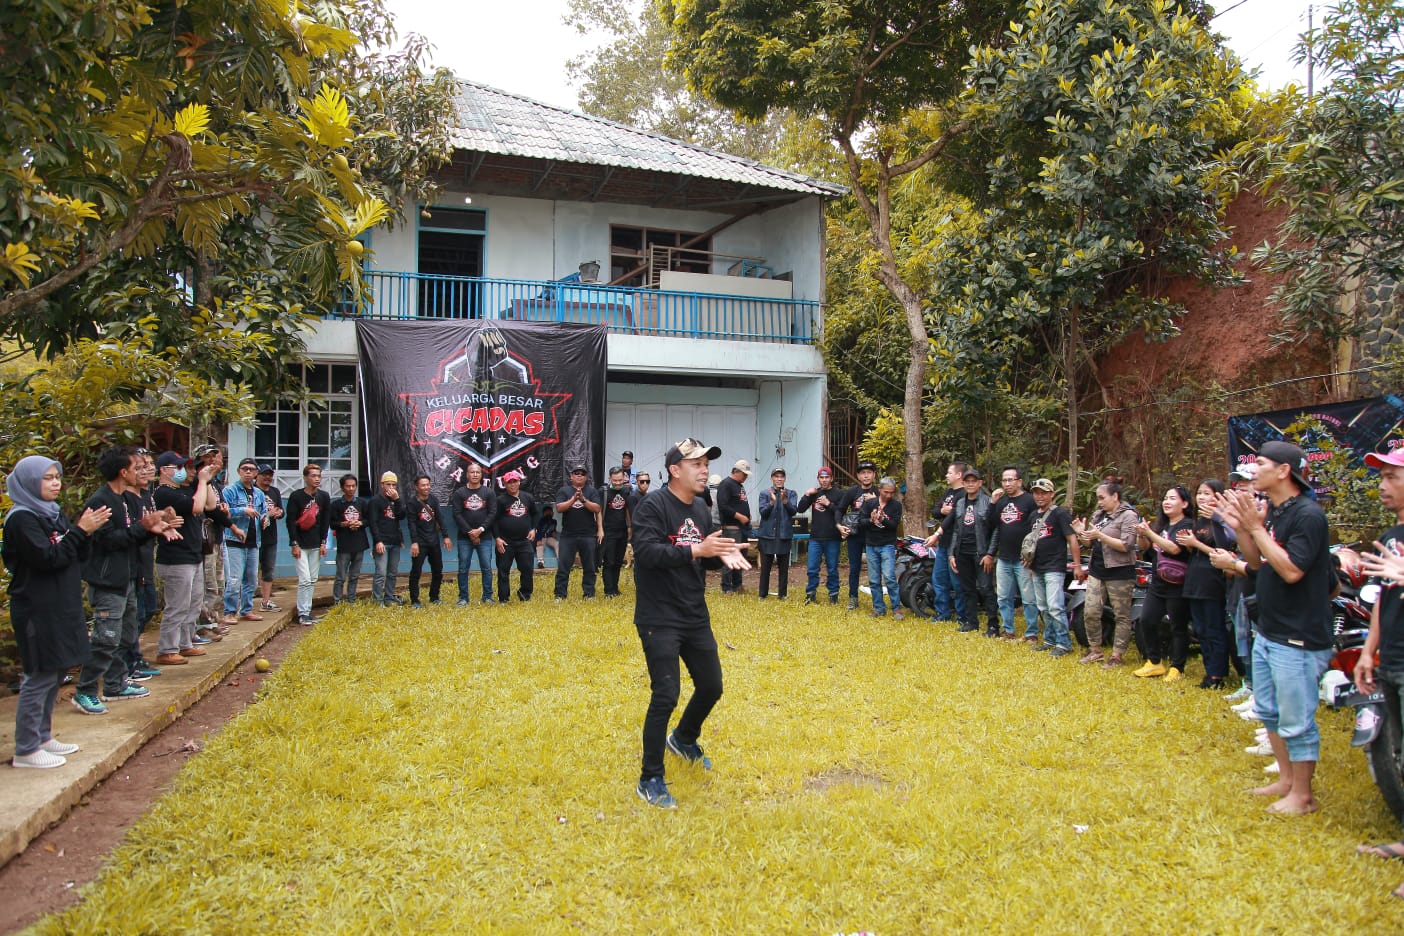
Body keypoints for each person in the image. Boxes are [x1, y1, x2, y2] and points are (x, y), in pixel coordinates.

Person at [1217, 440, 1334, 815]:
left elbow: (1291, 570)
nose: (1254, 471)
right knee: (1269, 711)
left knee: (1296, 719)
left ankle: (1303, 794)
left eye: (1261, 464)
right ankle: (1285, 780)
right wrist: (1243, 531)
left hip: (1298, 634)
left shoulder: (1309, 516)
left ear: (1284, 471)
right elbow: (1257, 563)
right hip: (1270, 628)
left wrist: (1256, 527)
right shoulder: (1278, 512)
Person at [631, 438, 749, 808]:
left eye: (706, 464)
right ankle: (650, 777)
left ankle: (683, 739)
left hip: (693, 613)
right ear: (674, 469)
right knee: (665, 694)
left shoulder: (700, 507)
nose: (704, 470)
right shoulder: (651, 505)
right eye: (696, 464)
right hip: (659, 616)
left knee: (712, 686)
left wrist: (720, 552)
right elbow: (647, 553)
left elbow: (701, 556)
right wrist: (697, 549)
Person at [6, 456, 111, 767]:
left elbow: (73, 554)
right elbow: (48, 558)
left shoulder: (50, 513)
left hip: (60, 605)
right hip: (37, 609)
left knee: (55, 672)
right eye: (47, 478)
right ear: (28, 482)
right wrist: (80, 531)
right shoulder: (21, 519)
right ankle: (25, 748)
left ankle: (42, 736)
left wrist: (85, 534)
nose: (55, 483)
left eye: (57, 477)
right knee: (38, 675)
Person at [74, 447, 179, 714]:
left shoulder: (125, 499)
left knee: (125, 634)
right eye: (136, 467)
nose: (141, 471)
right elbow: (107, 541)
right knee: (105, 637)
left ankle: (115, 684)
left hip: (127, 577)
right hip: (108, 581)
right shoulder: (102, 501)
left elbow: (131, 535)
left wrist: (152, 529)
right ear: (124, 472)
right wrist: (142, 527)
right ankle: (85, 690)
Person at [1353, 449, 1404, 893]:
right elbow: (1383, 600)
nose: (1382, 485)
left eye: (1391, 476)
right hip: (1393, 657)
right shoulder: (1392, 534)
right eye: (1381, 477)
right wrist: (1369, 651)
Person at [153, 451, 218, 665]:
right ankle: (167, 649)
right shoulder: (164, 493)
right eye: (181, 467)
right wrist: (200, 481)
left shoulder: (183, 490)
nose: (187, 472)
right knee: (177, 605)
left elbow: (209, 505)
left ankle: (185, 642)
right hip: (176, 557)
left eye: (189, 467)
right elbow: (197, 507)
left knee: (193, 602)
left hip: (193, 554)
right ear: (164, 470)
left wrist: (206, 481)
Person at [1072, 480, 1140, 666]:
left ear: (1115, 496)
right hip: (1097, 570)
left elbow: (1126, 545)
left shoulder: (1129, 516)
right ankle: (1095, 650)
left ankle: (1117, 655)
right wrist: (1081, 533)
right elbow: (1089, 543)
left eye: (1102, 498)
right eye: (1097, 498)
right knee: (1091, 611)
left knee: (1121, 615)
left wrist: (1100, 536)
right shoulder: (1099, 515)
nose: (1099, 502)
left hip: (1120, 572)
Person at [1132, 485, 1196, 681]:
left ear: (1185, 503)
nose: (1166, 502)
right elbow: (1145, 547)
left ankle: (1177, 667)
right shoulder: (1162, 525)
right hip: (1158, 583)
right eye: (1165, 498)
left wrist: (1150, 533)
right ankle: (1154, 661)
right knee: (1146, 620)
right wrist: (1142, 533)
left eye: (1172, 498)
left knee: (1178, 626)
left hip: (1179, 584)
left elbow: (1174, 549)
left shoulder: (1187, 525)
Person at [1176, 479, 1232, 688]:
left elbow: (1223, 553)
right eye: (1199, 493)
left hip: (1212, 581)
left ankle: (1217, 675)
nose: (1201, 498)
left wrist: (1195, 543)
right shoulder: (1198, 521)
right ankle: (1210, 672)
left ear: (1218, 496)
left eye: (1207, 493)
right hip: (1195, 580)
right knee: (1200, 629)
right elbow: (1198, 551)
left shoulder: (1221, 522)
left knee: (1214, 628)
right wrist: (1189, 544)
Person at [1027, 477, 1082, 656]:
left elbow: (1072, 539)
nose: (1040, 496)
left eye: (1044, 493)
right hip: (1037, 566)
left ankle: (1063, 643)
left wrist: (1077, 565)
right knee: (1042, 606)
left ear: (1052, 494)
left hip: (1054, 566)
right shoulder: (1033, 515)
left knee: (1055, 606)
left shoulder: (1060, 514)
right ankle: (1049, 639)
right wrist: (1029, 565)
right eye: (1036, 493)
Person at [942, 468, 998, 634]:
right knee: (967, 589)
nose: (971, 484)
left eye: (974, 481)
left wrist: (990, 553)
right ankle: (971, 622)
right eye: (968, 481)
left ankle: (993, 625)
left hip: (981, 553)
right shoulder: (960, 503)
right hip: (962, 552)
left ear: (980, 483)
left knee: (986, 589)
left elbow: (996, 529)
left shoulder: (988, 502)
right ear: (964, 483)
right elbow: (956, 530)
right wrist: (952, 553)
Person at [991, 465, 1039, 641]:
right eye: (1004, 480)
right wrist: (993, 503)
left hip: (1023, 559)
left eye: (1011, 479)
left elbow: (1037, 528)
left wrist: (1033, 557)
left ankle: (1032, 632)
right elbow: (992, 524)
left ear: (1019, 481)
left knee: (1028, 599)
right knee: (1003, 597)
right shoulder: (1002, 502)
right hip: (1003, 557)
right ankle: (1008, 630)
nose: (1007, 483)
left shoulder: (1029, 501)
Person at [128, 451, 164, 680]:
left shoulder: (147, 496)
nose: (149, 469)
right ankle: (129, 659)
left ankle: (133, 655)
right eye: (142, 466)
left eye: (151, 464)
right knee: (136, 613)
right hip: (132, 563)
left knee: (148, 607)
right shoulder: (127, 498)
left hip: (145, 559)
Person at [221, 457, 267, 624]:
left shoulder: (259, 493)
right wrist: (243, 510)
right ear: (238, 471)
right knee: (234, 579)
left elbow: (263, 512)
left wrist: (264, 519)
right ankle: (229, 611)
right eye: (244, 469)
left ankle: (246, 609)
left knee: (252, 578)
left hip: (254, 541)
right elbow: (224, 512)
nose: (248, 472)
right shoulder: (230, 490)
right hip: (234, 539)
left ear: (256, 473)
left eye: (251, 469)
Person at [285, 462, 332, 624]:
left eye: (319, 476)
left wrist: (323, 542)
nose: (317, 479)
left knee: (312, 579)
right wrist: (294, 543)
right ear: (305, 478)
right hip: (300, 544)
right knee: (304, 579)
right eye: (313, 476)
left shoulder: (324, 497)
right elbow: (290, 521)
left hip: (316, 544)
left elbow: (325, 521)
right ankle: (302, 613)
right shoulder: (296, 496)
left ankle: (307, 610)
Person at [924, 462, 968, 624]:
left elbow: (955, 516)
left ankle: (963, 616)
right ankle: (942, 614)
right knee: (939, 579)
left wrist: (946, 513)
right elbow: (935, 511)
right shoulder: (949, 492)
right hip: (943, 543)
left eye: (950, 473)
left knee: (957, 582)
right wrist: (942, 510)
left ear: (958, 475)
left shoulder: (964, 494)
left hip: (956, 545)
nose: (946, 475)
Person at [451, 462, 497, 605]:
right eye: (472, 472)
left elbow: (492, 513)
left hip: (485, 537)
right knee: (463, 568)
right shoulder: (459, 493)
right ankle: (463, 598)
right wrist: (470, 531)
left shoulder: (488, 492)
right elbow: (457, 514)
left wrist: (480, 530)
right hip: (464, 538)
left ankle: (487, 596)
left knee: (486, 568)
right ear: (467, 475)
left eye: (477, 472)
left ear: (481, 475)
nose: (475, 474)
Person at [554, 464, 602, 599]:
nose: (579, 475)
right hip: (568, 535)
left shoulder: (592, 491)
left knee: (590, 567)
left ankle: (589, 594)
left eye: (582, 473)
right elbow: (559, 508)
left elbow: (597, 508)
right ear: (571, 476)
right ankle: (560, 595)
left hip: (588, 535)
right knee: (563, 567)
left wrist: (583, 499)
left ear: (586, 477)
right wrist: (574, 499)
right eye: (576, 473)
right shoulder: (564, 491)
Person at [797, 467, 842, 605]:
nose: (824, 480)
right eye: (821, 478)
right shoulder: (815, 493)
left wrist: (828, 504)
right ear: (818, 479)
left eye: (827, 477)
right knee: (812, 568)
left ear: (831, 478)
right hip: (815, 537)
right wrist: (806, 494)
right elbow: (800, 509)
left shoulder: (838, 494)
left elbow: (841, 512)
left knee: (832, 568)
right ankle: (811, 594)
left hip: (833, 537)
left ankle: (833, 594)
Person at [493, 469, 539, 602]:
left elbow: (535, 514)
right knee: (503, 571)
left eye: (515, 482)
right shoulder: (500, 500)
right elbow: (494, 520)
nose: (513, 485)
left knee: (527, 569)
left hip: (525, 541)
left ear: (519, 482)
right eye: (509, 483)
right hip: (506, 542)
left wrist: (533, 529)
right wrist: (497, 538)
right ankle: (503, 598)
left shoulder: (528, 498)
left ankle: (525, 594)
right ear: (505, 484)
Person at [860, 476, 903, 618]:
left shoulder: (896, 505)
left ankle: (896, 608)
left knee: (890, 577)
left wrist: (883, 518)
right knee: (873, 578)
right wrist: (871, 520)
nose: (889, 495)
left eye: (891, 492)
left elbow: (894, 526)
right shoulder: (869, 503)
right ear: (879, 490)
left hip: (888, 545)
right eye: (886, 492)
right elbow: (861, 522)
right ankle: (879, 608)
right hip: (871, 544)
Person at [407, 474, 452, 607]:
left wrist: (446, 536)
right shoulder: (412, 502)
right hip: (420, 543)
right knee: (416, 571)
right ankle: (415, 600)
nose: (426, 487)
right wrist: (414, 542)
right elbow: (411, 523)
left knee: (438, 570)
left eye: (428, 484)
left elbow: (440, 519)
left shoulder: (433, 500)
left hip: (434, 541)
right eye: (423, 485)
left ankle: (434, 597)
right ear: (417, 487)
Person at [838, 461, 878, 609]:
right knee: (854, 568)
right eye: (863, 473)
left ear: (874, 475)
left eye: (869, 472)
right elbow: (840, 509)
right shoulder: (852, 492)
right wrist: (839, 525)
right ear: (858, 476)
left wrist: (874, 501)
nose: (866, 476)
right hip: (855, 535)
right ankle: (853, 598)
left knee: (874, 567)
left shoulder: (879, 492)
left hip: (873, 535)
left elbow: (884, 513)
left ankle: (877, 600)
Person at [756, 468, 798, 600]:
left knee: (783, 568)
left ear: (785, 479)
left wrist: (785, 501)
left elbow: (793, 512)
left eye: (781, 477)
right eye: (776, 476)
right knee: (765, 568)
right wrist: (772, 502)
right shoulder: (764, 493)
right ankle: (762, 594)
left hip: (784, 535)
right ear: (772, 478)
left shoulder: (791, 493)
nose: (779, 479)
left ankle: (782, 594)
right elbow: (763, 512)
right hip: (767, 535)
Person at [330, 474, 368, 604]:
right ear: (342, 487)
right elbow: (332, 524)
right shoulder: (336, 504)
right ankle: (337, 600)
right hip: (344, 545)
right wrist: (344, 524)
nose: (351, 488)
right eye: (348, 486)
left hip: (360, 544)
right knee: (340, 576)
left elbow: (369, 520)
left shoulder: (362, 503)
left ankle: (351, 600)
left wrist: (360, 523)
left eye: (353, 486)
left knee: (355, 576)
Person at [369, 471, 406, 605]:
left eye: (393, 484)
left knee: (392, 572)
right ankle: (377, 600)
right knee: (381, 573)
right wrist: (377, 541)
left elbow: (402, 515)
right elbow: (373, 522)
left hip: (395, 541)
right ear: (382, 485)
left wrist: (397, 500)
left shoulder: (396, 500)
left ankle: (389, 597)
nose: (391, 487)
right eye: (388, 484)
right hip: (382, 541)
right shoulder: (375, 501)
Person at [716, 460, 753, 595]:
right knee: (730, 557)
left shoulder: (738, 485)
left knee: (740, 557)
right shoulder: (726, 484)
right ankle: (726, 588)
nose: (746, 477)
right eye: (744, 474)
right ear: (736, 471)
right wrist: (740, 516)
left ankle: (738, 585)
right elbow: (723, 506)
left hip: (742, 528)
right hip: (732, 527)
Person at [254, 465, 284, 612]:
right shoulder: (252, 491)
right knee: (251, 570)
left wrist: (279, 512)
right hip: (253, 536)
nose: (267, 478)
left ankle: (266, 601)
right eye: (264, 475)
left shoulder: (275, 491)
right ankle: (245, 602)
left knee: (268, 569)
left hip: (271, 536)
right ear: (257, 475)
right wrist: (267, 514)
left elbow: (280, 509)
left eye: (270, 475)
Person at [601, 466, 632, 597]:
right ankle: (608, 590)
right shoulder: (603, 492)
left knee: (619, 561)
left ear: (624, 478)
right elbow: (598, 512)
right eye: (615, 480)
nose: (618, 483)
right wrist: (599, 530)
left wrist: (629, 527)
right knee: (609, 561)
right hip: (608, 532)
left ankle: (615, 588)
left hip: (622, 531)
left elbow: (627, 510)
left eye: (620, 480)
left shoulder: (626, 491)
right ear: (610, 479)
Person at [535, 504, 558, 569]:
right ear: (544, 513)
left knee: (557, 544)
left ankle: (561, 560)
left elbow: (553, 530)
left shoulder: (554, 521)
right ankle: (540, 562)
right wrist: (538, 540)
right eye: (547, 511)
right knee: (540, 546)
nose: (549, 513)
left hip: (549, 538)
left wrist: (554, 533)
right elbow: (538, 530)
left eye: (550, 511)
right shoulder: (541, 521)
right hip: (542, 537)